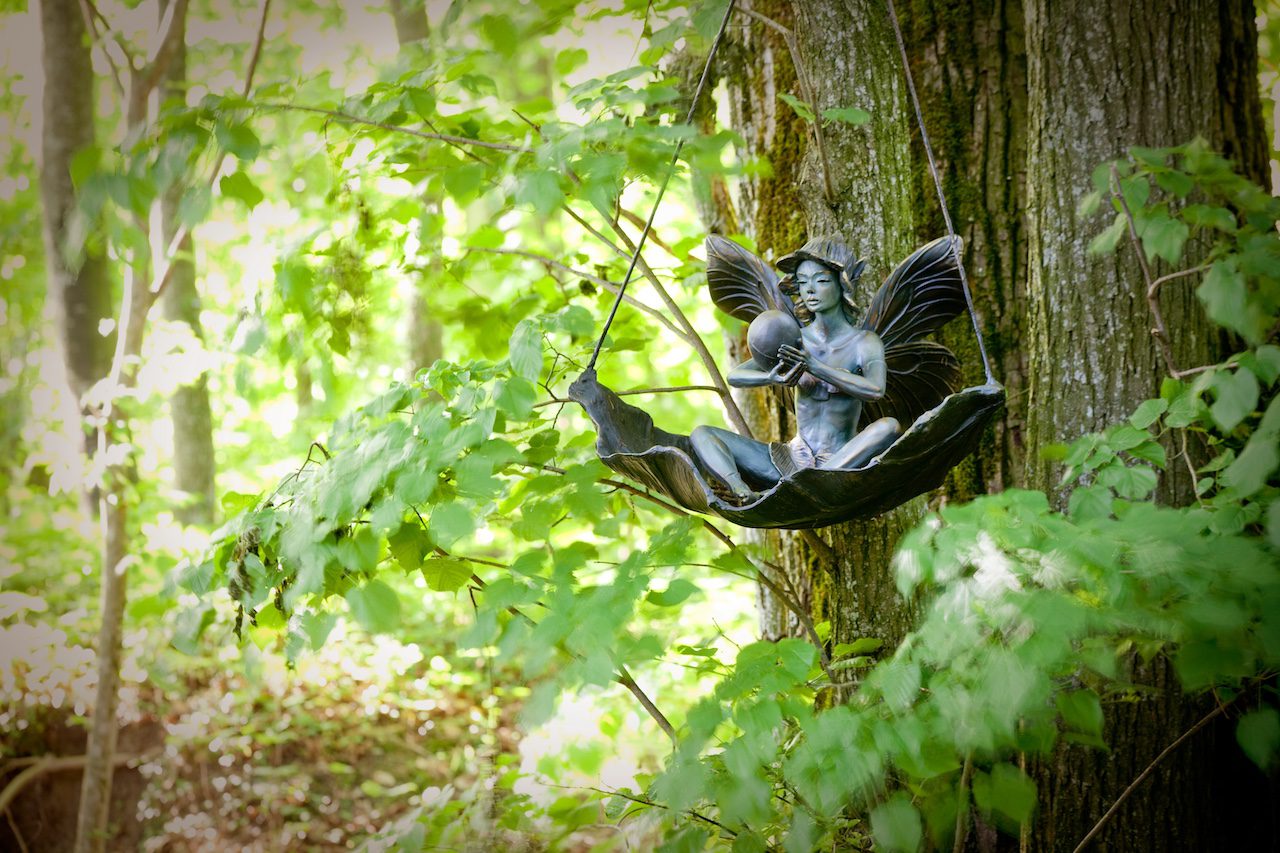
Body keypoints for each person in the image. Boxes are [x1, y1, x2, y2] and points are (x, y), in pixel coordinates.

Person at [690, 238, 901, 500]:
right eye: (802, 283)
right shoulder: (795, 338)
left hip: (840, 460)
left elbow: (875, 389)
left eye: (821, 281)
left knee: (888, 427)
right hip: (791, 460)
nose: (810, 290)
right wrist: (769, 377)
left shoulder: (864, 343)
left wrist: (816, 367)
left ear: (842, 283)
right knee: (703, 434)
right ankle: (744, 493)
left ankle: (814, 484)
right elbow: (736, 376)